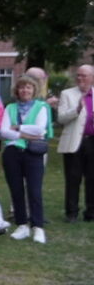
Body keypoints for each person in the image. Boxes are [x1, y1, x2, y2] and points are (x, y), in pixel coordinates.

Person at [0, 74, 51, 243]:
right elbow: (3, 131)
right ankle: (22, 225)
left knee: (34, 190)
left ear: (34, 89)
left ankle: (38, 227)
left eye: (28, 87)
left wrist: (18, 128)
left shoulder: (42, 107)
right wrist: (25, 134)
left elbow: (40, 130)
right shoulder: (10, 108)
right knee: (16, 189)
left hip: (32, 153)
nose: (25, 90)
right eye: (22, 87)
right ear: (17, 90)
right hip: (12, 152)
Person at [53, 64, 94, 222]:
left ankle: (91, 212)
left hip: (92, 141)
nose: (80, 78)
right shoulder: (67, 94)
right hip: (74, 141)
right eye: (78, 75)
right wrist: (76, 110)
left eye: (84, 75)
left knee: (92, 178)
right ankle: (72, 213)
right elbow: (61, 118)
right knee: (73, 178)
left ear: (92, 77)